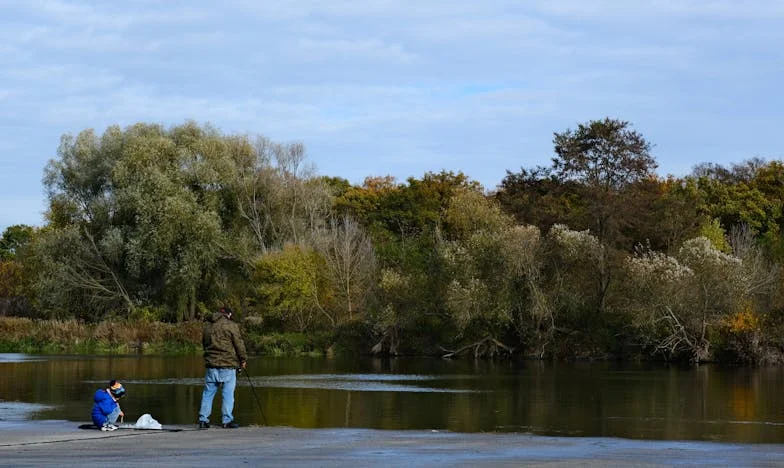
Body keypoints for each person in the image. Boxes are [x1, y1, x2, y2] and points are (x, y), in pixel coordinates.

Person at [198, 306, 247, 429]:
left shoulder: (208, 326)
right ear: (228, 315)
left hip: (211, 365)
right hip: (228, 365)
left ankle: (203, 420)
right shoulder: (231, 325)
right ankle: (227, 421)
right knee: (228, 394)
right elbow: (239, 344)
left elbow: (204, 343)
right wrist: (243, 359)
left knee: (208, 394)